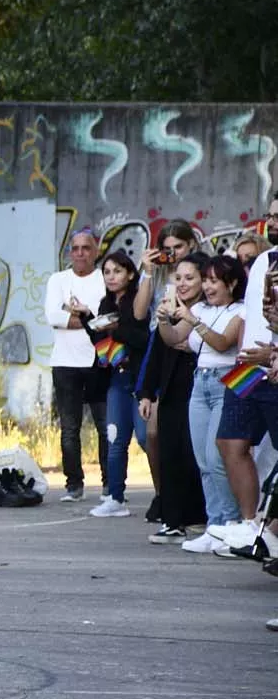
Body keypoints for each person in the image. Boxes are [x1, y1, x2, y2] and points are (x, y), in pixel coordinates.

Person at [211, 195, 278, 557]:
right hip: (247, 366)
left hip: (273, 366)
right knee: (229, 442)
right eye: (270, 216)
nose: (273, 222)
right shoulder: (263, 261)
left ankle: (271, 534)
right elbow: (255, 315)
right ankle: (250, 525)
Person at [167, 255, 245, 553]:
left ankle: (231, 524)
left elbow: (224, 342)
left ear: (232, 283)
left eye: (214, 281)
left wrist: (193, 321)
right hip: (200, 381)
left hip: (226, 380)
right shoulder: (199, 309)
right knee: (202, 460)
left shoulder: (241, 310)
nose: (208, 287)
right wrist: (164, 319)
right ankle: (214, 525)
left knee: (218, 458)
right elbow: (173, 338)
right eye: (207, 281)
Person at [139, 255, 209, 544]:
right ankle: (172, 520)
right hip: (170, 390)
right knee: (169, 452)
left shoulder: (207, 311)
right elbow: (157, 351)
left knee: (196, 455)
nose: (182, 284)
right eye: (178, 278)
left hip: (199, 388)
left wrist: (190, 342)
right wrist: (145, 392)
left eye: (189, 278)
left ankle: (200, 517)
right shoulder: (168, 308)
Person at [135, 219, 200, 523]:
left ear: (191, 246)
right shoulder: (159, 273)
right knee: (152, 433)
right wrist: (148, 272)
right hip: (156, 345)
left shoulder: (197, 273)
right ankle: (163, 496)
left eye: (179, 248)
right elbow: (138, 312)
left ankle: (183, 502)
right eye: (167, 249)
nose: (172, 255)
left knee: (183, 435)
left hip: (184, 346)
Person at [44, 227, 108, 501]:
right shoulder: (58, 279)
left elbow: (108, 321)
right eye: (76, 248)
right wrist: (87, 320)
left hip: (98, 361)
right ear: (70, 251)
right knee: (69, 428)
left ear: (96, 251)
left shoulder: (105, 279)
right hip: (64, 363)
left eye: (86, 248)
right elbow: (52, 316)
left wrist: (81, 319)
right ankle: (74, 484)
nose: (80, 253)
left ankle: (111, 484)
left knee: (105, 427)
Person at [84, 251, 149, 518]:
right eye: (107, 272)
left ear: (130, 274)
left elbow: (142, 338)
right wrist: (90, 320)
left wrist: (115, 328)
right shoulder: (105, 303)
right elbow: (100, 343)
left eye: (117, 271)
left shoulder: (139, 301)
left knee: (147, 437)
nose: (111, 277)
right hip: (116, 377)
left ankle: (166, 493)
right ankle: (115, 496)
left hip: (140, 378)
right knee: (114, 438)